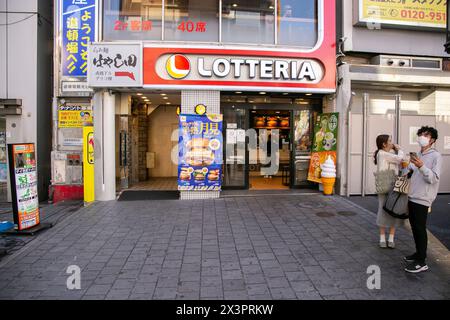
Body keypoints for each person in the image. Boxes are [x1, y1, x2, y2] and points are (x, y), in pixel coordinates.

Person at [404, 126, 442, 273]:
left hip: (423, 198)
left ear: (432, 140)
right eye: (421, 134)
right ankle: (418, 253)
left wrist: (421, 166)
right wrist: (409, 167)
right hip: (412, 195)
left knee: (420, 229)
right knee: (414, 227)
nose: (422, 137)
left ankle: (422, 261)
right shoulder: (419, 153)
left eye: (426, 135)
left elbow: (433, 178)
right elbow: (412, 173)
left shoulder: (436, 156)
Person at [374, 135, 405, 249]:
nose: (392, 143)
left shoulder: (389, 154)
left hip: (394, 184)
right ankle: (382, 238)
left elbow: (400, 163)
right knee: (382, 210)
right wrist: (399, 149)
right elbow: (400, 159)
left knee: (394, 210)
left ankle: (391, 238)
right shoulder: (382, 153)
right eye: (390, 141)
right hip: (385, 185)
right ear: (384, 144)